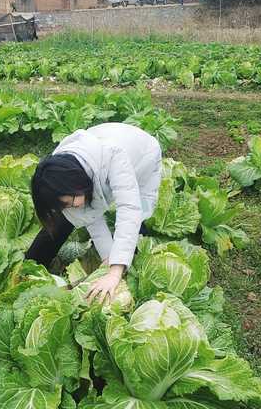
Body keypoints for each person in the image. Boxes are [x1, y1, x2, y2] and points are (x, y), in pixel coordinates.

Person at [28, 123, 162, 302]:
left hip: (143, 156)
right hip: (102, 141)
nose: (71, 207)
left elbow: (129, 209)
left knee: (137, 217)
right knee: (63, 219)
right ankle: (29, 267)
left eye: (69, 202)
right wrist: (108, 256)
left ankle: (134, 279)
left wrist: (114, 272)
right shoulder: (57, 170)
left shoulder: (114, 157)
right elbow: (89, 216)